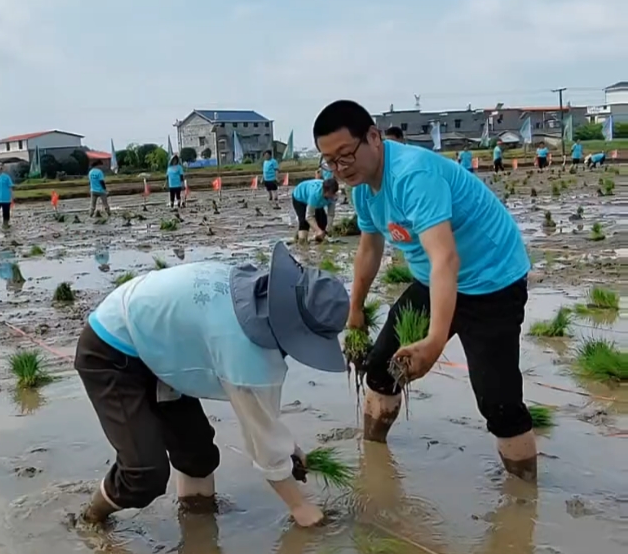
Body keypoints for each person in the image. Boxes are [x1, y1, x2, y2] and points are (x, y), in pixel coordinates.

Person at [313, 100, 537, 482]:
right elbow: (370, 248)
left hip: (491, 280)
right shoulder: (363, 190)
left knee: (498, 402)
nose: (340, 168)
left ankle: (524, 500)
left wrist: (434, 343)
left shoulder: (414, 175)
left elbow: (445, 258)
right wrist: (355, 310)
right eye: (330, 162)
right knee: (382, 369)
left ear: (373, 137)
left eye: (345, 155)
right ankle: (374, 465)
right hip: (435, 279)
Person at [73, 242, 349, 528]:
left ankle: (198, 534)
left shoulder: (254, 289)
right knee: (144, 474)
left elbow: (263, 422)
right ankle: (90, 518)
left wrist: (288, 445)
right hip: (110, 349)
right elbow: (262, 442)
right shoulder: (245, 350)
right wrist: (300, 506)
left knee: (198, 456)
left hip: (160, 345)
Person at [291, 176, 339, 243]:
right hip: (299, 197)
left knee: (323, 221)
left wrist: (328, 229)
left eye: (334, 193)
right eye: (331, 193)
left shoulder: (333, 196)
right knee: (304, 221)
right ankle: (302, 242)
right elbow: (309, 216)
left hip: (316, 201)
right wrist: (318, 230)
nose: (333, 196)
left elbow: (330, 214)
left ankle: (318, 241)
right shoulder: (315, 195)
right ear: (325, 191)